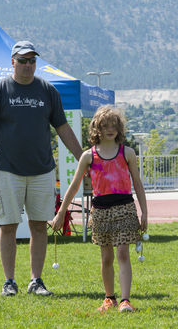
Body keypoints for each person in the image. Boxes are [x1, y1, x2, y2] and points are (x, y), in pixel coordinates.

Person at [0, 41, 82, 297]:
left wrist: (84, 159)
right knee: (8, 226)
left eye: (32, 60)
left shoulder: (48, 91)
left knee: (38, 226)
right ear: (12, 61)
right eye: (22, 60)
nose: (27, 65)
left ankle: (36, 281)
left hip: (42, 171)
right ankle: (9, 282)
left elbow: (63, 129)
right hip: (8, 171)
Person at [52, 106, 148, 312]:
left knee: (123, 253)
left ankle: (125, 300)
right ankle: (109, 297)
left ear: (119, 128)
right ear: (98, 128)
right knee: (106, 257)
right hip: (101, 212)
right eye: (105, 125)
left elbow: (138, 184)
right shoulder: (88, 156)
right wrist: (61, 213)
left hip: (125, 208)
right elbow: (74, 185)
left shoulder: (127, 153)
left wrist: (145, 213)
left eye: (114, 125)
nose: (110, 129)